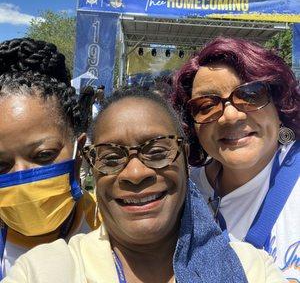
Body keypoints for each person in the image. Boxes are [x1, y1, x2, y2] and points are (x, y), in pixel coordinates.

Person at [3, 87, 285, 282]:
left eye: (157, 152)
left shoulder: (252, 269)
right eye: (111, 157)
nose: (135, 173)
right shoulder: (43, 271)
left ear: (185, 159)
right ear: (92, 169)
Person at [172, 36, 299, 281]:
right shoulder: (183, 193)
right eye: (206, 105)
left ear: (279, 105)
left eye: (251, 95)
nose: (230, 116)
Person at [0, 38, 99, 278]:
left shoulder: (107, 225)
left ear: (79, 151)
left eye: (44, 155)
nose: (22, 177)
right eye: (1, 165)